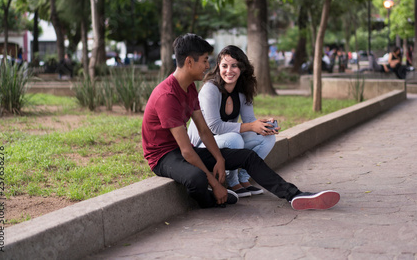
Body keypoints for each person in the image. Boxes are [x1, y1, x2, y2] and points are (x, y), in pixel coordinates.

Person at [142, 33, 340, 210]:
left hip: (185, 150)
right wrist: (216, 184)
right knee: (197, 178)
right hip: (163, 157)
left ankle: (294, 195)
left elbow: (203, 130)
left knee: (246, 156)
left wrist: (220, 159)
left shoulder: (190, 87)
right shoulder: (167, 95)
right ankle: (214, 199)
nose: (208, 66)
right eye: (204, 61)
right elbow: (186, 150)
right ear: (189, 62)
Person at [187, 45, 278, 198]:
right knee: (234, 138)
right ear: (218, 67)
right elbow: (215, 127)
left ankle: (244, 179)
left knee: (268, 137)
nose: (229, 71)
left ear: (241, 68)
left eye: (234, 66)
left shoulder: (242, 90)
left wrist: (264, 125)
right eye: (224, 66)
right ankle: (232, 181)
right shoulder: (210, 89)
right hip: (202, 146)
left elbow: (249, 121)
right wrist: (251, 126)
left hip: (225, 141)